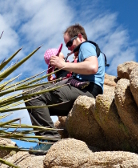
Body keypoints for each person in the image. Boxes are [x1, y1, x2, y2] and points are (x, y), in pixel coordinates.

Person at [26, 23, 105, 154]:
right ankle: (46, 140)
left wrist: (62, 65)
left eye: (69, 44)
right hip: (86, 90)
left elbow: (92, 67)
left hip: (87, 90)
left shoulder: (86, 45)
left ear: (79, 36)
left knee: (32, 94)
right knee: (36, 105)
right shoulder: (83, 52)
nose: (69, 49)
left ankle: (49, 141)